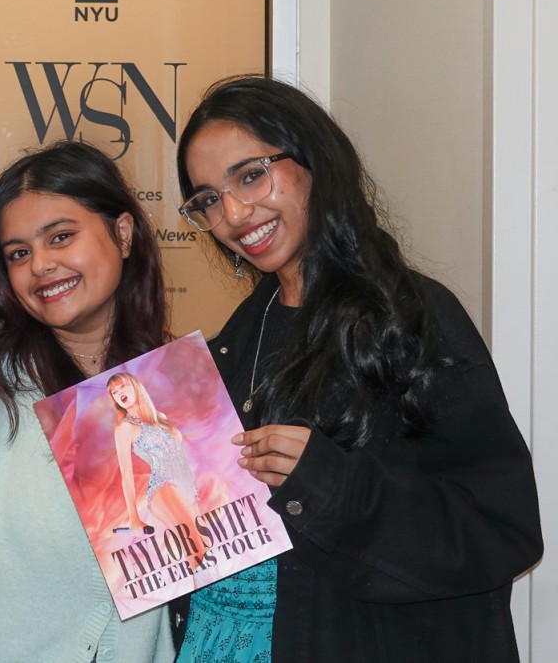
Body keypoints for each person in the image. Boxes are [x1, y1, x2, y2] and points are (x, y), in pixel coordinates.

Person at [171, 75, 543, 662]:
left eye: (250, 174)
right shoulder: (236, 340)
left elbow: (502, 531)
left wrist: (330, 483)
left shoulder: (411, 315)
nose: (234, 213)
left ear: (314, 160)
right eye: (209, 198)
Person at [0, 141, 176, 662]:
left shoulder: (169, 380)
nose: (42, 265)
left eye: (61, 237)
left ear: (122, 234)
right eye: (19, 254)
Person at [107, 372, 203, 565]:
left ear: (135, 386)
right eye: (114, 392)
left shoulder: (160, 417)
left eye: (122, 386)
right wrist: (134, 518)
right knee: (197, 550)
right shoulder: (124, 428)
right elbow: (126, 475)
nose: (119, 393)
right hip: (164, 486)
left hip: (187, 486)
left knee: (205, 550)